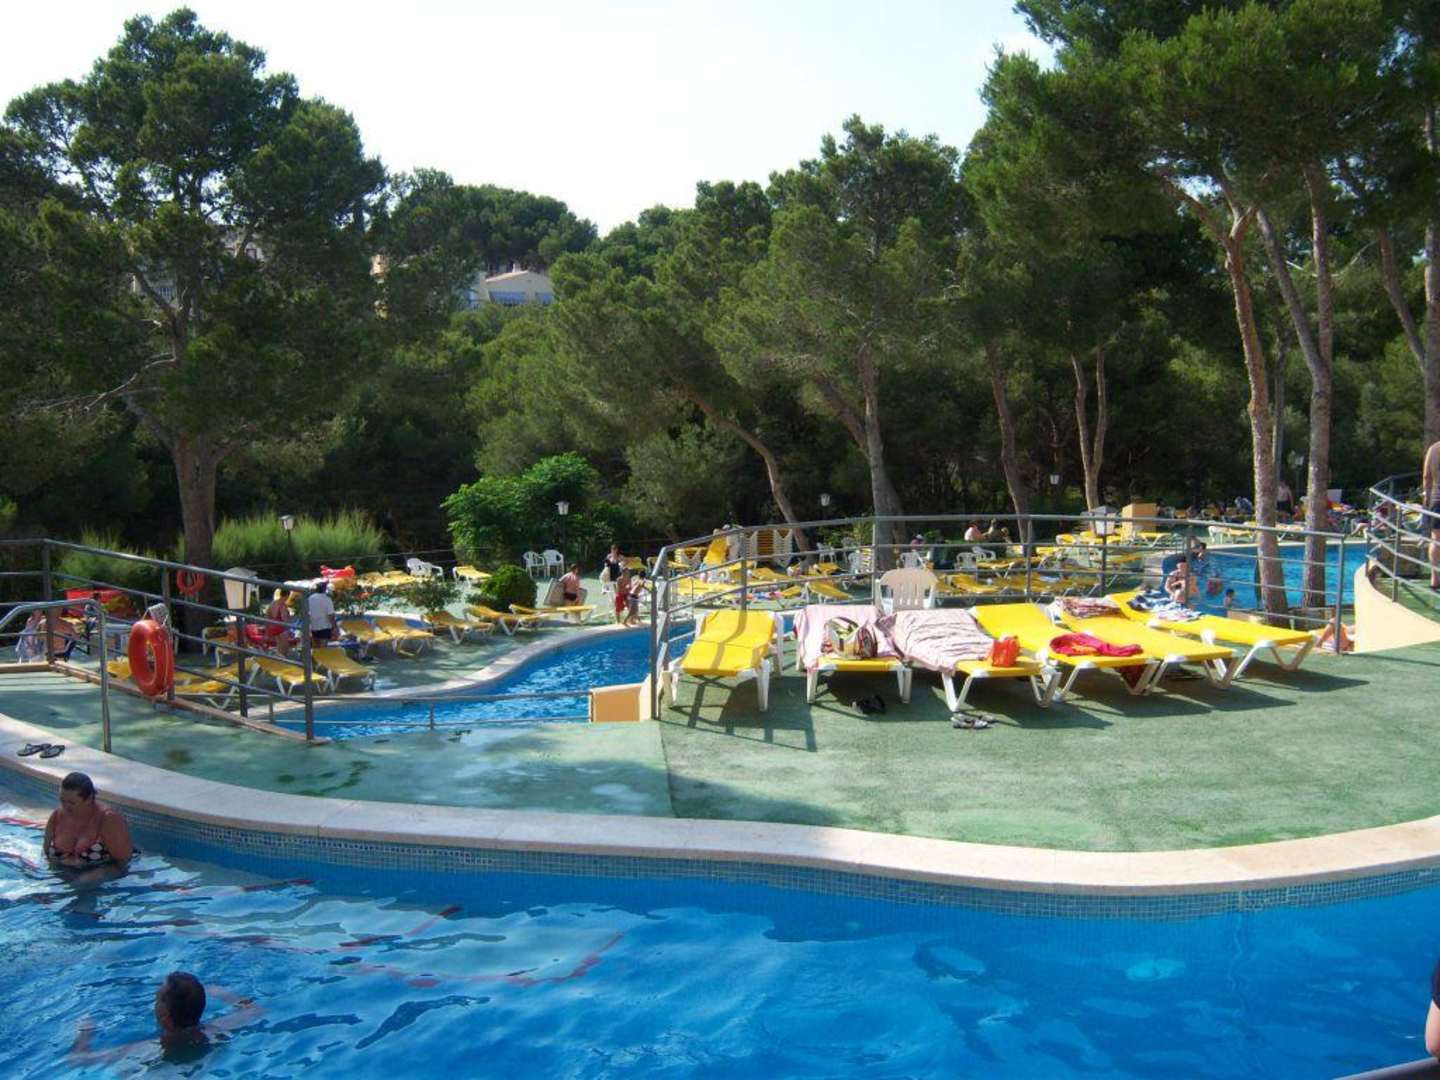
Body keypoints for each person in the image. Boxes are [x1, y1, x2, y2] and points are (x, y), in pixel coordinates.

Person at [70, 972, 260, 1065]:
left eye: (157, 999)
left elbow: (79, 1059)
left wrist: (84, 1033)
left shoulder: (144, 1049)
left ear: (165, 1018)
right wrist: (224, 994)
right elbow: (254, 1010)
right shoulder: (217, 1028)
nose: (154, 1002)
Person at [43, 771, 133, 869]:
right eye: (62, 800)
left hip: (99, 873)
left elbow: (124, 861)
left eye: (72, 803)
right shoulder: (57, 815)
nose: (65, 807)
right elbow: (45, 854)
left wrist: (96, 875)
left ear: (89, 799)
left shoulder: (108, 819)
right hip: (62, 873)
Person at [1425, 437, 1440, 590]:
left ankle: (1434, 578)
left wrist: (1426, 496)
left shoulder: (1433, 449)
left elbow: (1426, 476)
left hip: (1436, 500)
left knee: (1435, 539)